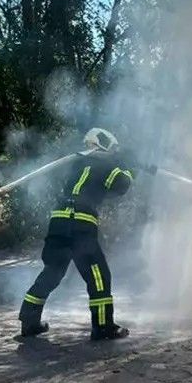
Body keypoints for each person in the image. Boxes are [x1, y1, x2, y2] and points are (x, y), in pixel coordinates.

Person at [19, 127, 137, 340]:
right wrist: (126, 165)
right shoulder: (105, 163)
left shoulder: (78, 164)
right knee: (98, 276)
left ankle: (29, 322)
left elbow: (99, 190)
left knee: (52, 272)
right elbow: (122, 185)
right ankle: (103, 327)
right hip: (80, 225)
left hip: (58, 223)